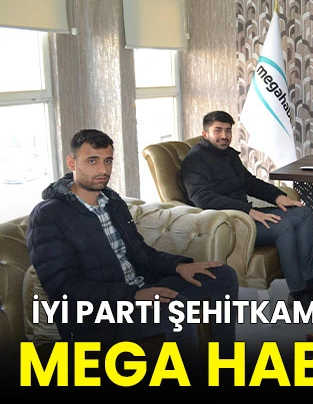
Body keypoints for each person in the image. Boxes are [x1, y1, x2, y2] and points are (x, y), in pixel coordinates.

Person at [26, 129, 239, 371]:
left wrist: (179, 266)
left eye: (108, 161)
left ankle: (224, 366)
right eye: (92, 161)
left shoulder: (112, 202)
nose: (103, 170)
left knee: (223, 275)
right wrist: (133, 296)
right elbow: (64, 289)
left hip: (139, 289)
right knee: (178, 309)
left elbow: (141, 253)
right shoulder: (49, 215)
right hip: (99, 315)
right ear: (72, 162)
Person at [179, 110, 313, 307]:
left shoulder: (228, 154)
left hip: (244, 213)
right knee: (283, 226)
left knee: (303, 213)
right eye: (218, 130)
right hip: (226, 223)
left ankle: (311, 281)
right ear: (205, 134)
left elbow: (250, 182)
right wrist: (247, 211)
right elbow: (202, 198)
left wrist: (277, 196)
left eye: (228, 130)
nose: (224, 136)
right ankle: (298, 292)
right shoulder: (195, 159)